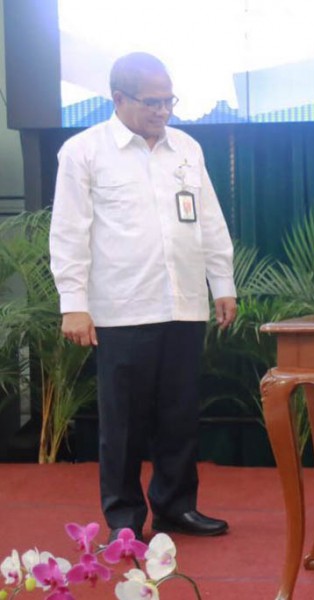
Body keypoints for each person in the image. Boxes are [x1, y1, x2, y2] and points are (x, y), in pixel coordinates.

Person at [49, 52, 237, 542]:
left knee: (179, 415)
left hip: (184, 303)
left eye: (169, 100)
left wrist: (222, 284)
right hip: (121, 308)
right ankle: (125, 520)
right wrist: (73, 304)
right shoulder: (84, 151)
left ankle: (177, 507)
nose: (163, 111)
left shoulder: (187, 148)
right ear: (118, 99)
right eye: (152, 102)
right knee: (124, 423)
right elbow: (68, 232)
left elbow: (209, 220)